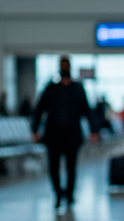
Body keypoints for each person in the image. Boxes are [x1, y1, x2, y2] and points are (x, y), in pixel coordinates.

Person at [31, 56, 98, 209]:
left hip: (72, 135)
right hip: (53, 135)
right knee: (53, 166)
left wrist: (94, 130)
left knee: (71, 167)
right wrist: (35, 129)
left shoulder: (77, 89)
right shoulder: (50, 89)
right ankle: (57, 193)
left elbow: (87, 110)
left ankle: (69, 194)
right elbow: (39, 109)